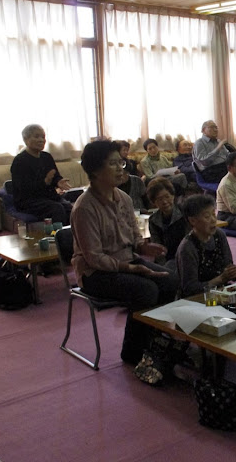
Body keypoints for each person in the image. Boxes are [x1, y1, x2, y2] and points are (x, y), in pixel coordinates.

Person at [70, 139, 178, 368]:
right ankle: (133, 351)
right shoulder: (84, 208)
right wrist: (131, 267)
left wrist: (142, 247)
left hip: (126, 261)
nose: (121, 168)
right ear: (95, 171)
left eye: (121, 163)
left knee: (170, 280)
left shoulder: (124, 199)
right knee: (146, 290)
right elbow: (94, 258)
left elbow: (133, 237)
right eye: (113, 164)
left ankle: (155, 339)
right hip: (95, 273)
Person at [176, 194, 236, 298]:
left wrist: (232, 272)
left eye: (214, 214)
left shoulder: (219, 235)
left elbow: (227, 264)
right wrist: (221, 279)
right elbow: (190, 289)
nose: (213, 220)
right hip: (197, 300)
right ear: (192, 221)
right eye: (207, 216)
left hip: (220, 292)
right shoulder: (187, 248)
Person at [10, 124, 72, 224]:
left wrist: (58, 182)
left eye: (43, 137)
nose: (41, 140)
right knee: (57, 209)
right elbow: (24, 189)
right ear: (26, 139)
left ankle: (71, 236)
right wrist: (45, 181)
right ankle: (56, 237)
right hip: (28, 201)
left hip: (48, 197)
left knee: (69, 208)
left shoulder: (47, 157)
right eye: (36, 136)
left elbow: (55, 176)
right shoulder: (20, 161)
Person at [147, 178, 188, 271]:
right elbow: (157, 247)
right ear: (154, 202)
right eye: (159, 199)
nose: (164, 202)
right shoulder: (153, 220)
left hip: (186, 258)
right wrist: (163, 267)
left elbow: (189, 244)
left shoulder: (185, 213)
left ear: (173, 196)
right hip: (166, 260)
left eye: (167, 196)